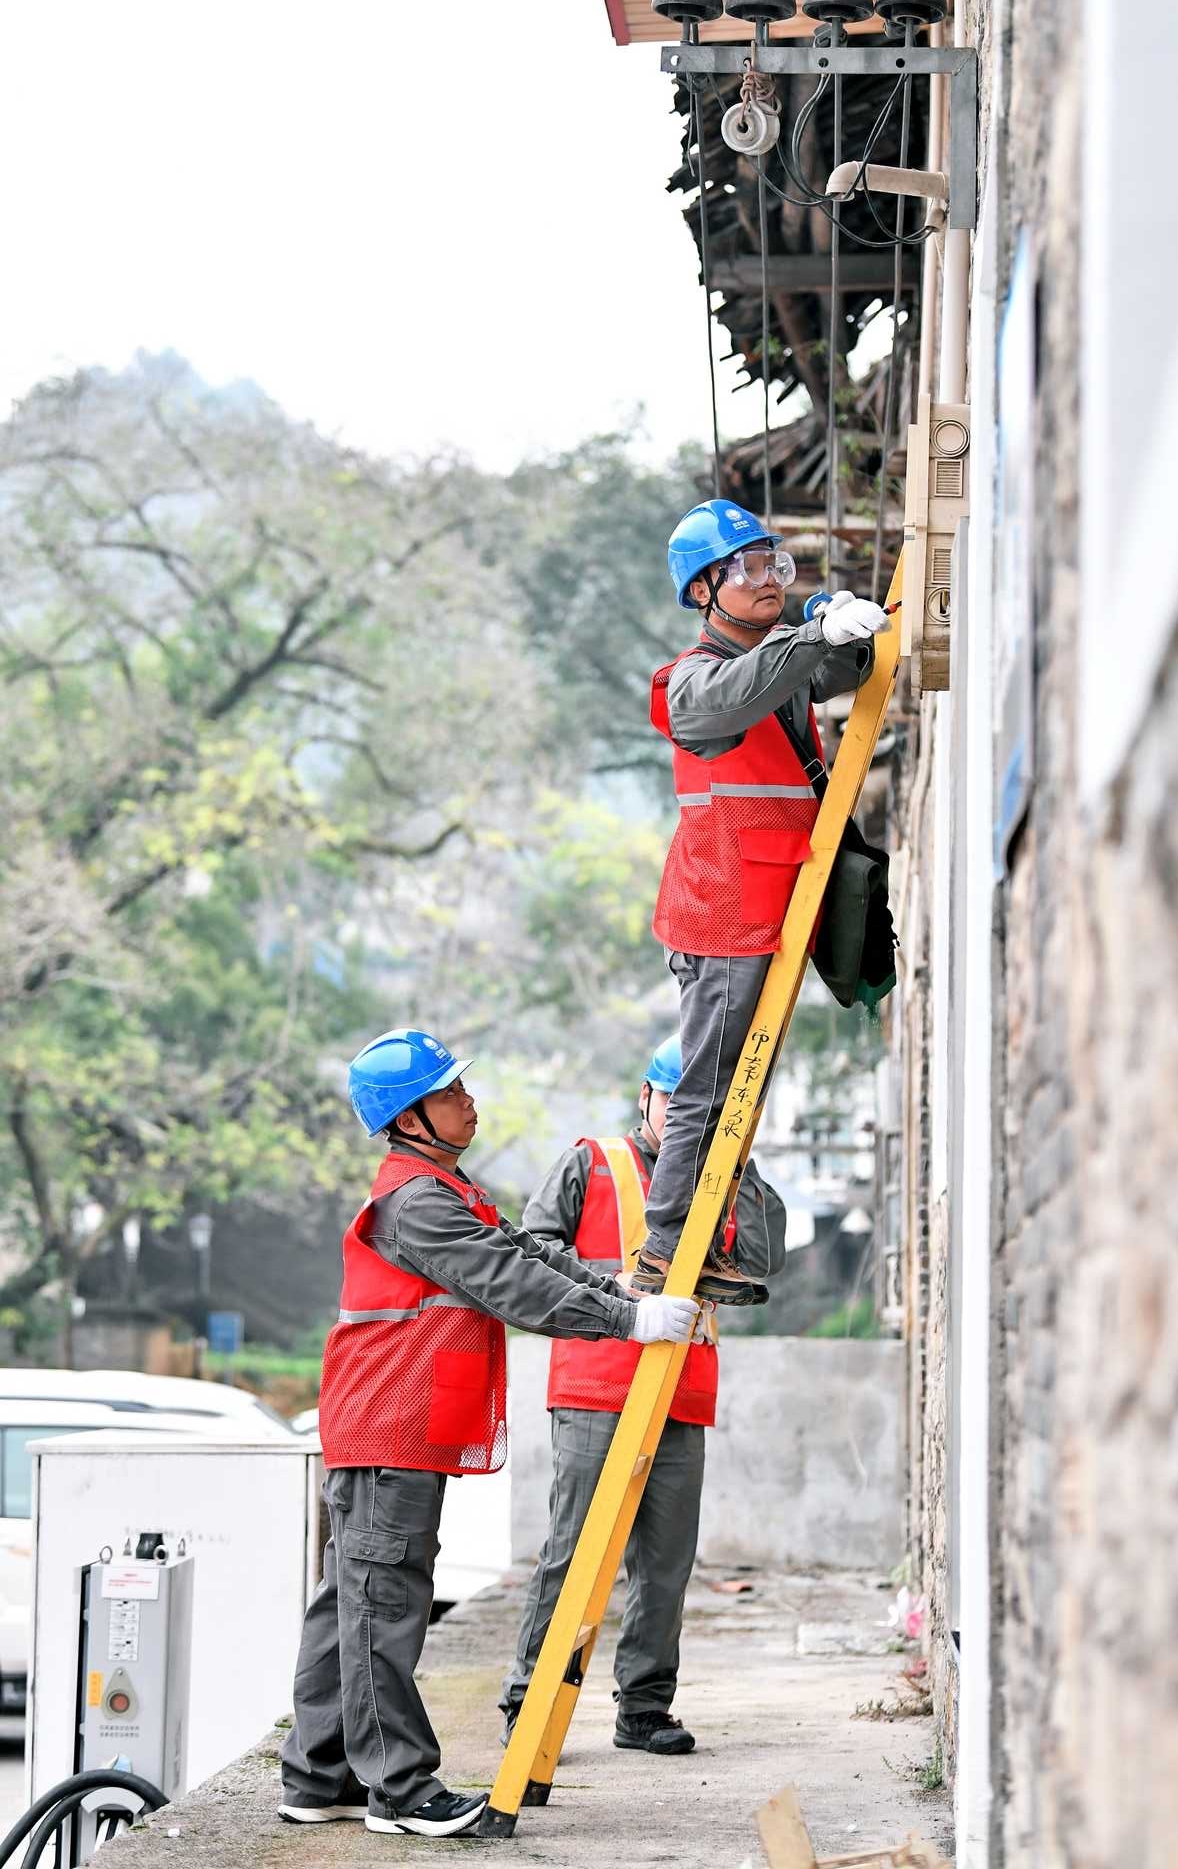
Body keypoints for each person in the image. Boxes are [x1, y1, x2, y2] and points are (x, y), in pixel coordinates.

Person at [278, 1027, 700, 1842]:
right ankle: (398, 1789)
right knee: (384, 1604)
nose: (470, 1102)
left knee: (352, 1606)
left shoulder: (445, 1190)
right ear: (407, 1118)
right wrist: (628, 1319)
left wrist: (608, 1287)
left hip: (392, 1425)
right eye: (449, 1093)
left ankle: (316, 1773)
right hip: (387, 1425)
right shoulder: (417, 1201)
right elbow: (509, 1283)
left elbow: (520, 1252)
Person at [630, 499, 890, 1304]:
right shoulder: (691, 684)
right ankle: (663, 1253)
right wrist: (811, 631)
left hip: (768, 913)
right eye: (746, 568)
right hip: (722, 914)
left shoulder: (775, 662)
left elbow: (834, 670)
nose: (768, 579)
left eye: (774, 562)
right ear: (704, 590)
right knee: (707, 1090)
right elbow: (732, 699)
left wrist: (835, 622)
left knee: (740, 1093)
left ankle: (705, 1247)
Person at [498, 1033, 786, 1756]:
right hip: (597, 1385)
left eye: (707, 1110)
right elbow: (530, 1249)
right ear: (646, 1097)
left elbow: (761, 1261)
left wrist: (738, 1158)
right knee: (575, 1553)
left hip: (681, 1391)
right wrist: (614, 1284)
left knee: (664, 1561)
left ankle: (645, 1709)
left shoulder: (726, 1177)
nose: (690, 1118)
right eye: (677, 1102)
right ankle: (529, 1703)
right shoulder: (591, 1162)